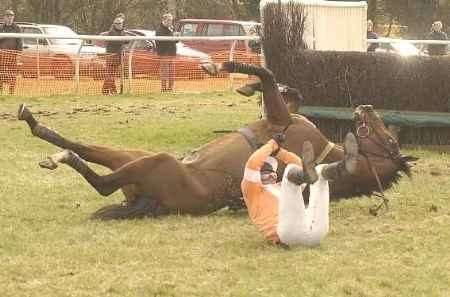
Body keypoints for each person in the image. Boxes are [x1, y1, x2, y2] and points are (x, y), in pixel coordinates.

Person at [241, 132, 359, 247]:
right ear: (257, 177)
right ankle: (306, 176)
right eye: (266, 173)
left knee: (319, 172)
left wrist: (279, 152)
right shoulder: (252, 190)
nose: (272, 175)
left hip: (316, 234)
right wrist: (271, 145)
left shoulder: (282, 188)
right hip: (285, 236)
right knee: (290, 171)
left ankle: (342, 166)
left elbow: (298, 165)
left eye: (273, 173)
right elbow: (252, 164)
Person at [102, 15, 128, 95]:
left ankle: (113, 90)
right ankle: (105, 91)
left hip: (118, 55)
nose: (119, 25)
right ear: (114, 24)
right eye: (117, 23)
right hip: (112, 55)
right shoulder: (112, 32)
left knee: (112, 75)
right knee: (110, 74)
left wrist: (126, 40)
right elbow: (118, 41)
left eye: (120, 23)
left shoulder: (122, 31)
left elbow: (125, 40)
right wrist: (125, 40)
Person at [0, 9, 23, 95]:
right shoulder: (1, 28)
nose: (9, 18)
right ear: (4, 17)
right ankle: (1, 92)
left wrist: (18, 55)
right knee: (1, 73)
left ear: (13, 18)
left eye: (11, 16)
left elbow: (19, 42)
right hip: (1, 56)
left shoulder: (17, 28)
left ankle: (11, 92)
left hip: (12, 56)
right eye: (8, 16)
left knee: (12, 74)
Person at [155, 13, 178, 92]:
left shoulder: (172, 28)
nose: (170, 22)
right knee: (164, 71)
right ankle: (163, 88)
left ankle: (171, 88)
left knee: (172, 71)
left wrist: (177, 37)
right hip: (164, 54)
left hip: (172, 53)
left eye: (171, 20)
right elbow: (162, 40)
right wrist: (173, 37)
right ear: (164, 20)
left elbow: (175, 40)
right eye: (168, 20)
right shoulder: (159, 30)